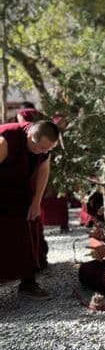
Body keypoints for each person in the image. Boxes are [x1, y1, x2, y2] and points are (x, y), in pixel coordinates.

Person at [0, 120, 60, 298]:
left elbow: (43, 169)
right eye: (41, 148)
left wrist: (36, 202)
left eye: (48, 149)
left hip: (20, 189)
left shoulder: (43, 147)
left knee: (27, 230)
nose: (45, 152)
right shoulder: (6, 141)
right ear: (30, 138)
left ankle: (28, 282)